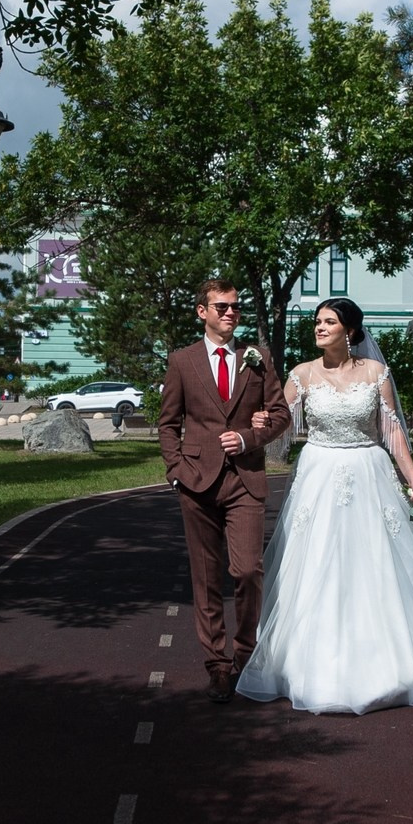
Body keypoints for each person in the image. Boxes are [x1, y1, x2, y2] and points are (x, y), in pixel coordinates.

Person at [236, 297, 413, 714]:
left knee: (376, 564)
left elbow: (392, 431)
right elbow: (278, 423)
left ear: (350, 330)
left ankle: (390, 664)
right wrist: (258, 422)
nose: (320, 328)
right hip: (320, 475)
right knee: (316, 564)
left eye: (329, 322)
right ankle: (309, 665)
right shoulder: (302, 374)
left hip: (369, 471)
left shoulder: (376, 373)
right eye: (317, 322)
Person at [159, 278, 293, 701]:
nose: (230, 313)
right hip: (196, 482)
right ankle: (217, 666)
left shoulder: (258, 358)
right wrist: (176, 469)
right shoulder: (182, 361)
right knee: (206, 578)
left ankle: (245, 653)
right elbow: (167, 423)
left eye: (235, 307)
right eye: (222, 307)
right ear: (202, 311)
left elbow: (281, 414)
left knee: (248, 571)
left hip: (245, 480)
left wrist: (250, 439)